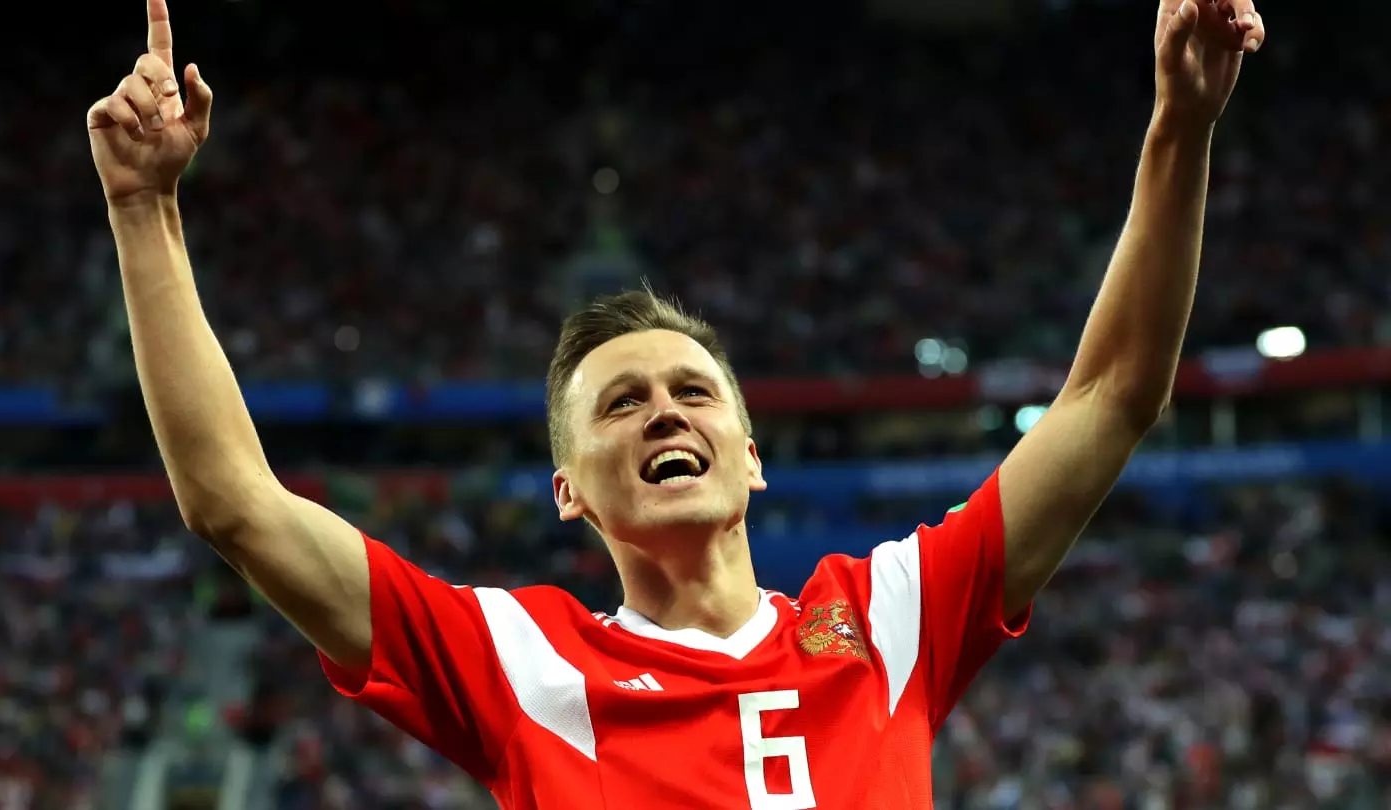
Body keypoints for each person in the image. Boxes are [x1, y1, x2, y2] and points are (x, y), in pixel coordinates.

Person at [88, 1, 1266, 807]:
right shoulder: (520, 664)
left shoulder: (889, 621)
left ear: (751, 455)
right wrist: (145, 211)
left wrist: (1180, 127)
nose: (664, 413)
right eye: (621, 405)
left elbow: (1113, 394)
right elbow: (234, 502)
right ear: (568, 493)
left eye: (693, 392)